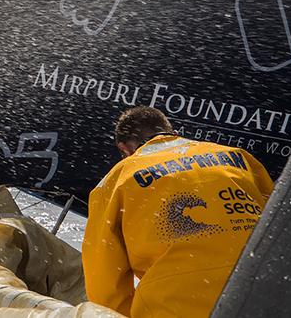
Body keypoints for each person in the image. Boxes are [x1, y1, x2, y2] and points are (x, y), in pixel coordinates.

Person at [82, 106, 273, 318]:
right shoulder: (238, 158)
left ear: (125, 148)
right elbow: (281, 223)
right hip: (263, 292)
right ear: (172, 132)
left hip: (175, 306)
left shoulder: (118, 179)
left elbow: (104, 278)